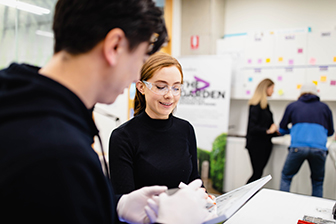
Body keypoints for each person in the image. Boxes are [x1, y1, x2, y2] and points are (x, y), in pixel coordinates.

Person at [0, 0, 209, 223]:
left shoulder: (20, 105)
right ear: (115, 46)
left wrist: (116, 206)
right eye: (140, 59)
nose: (135, 76)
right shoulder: (59, 153)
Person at [109, 52, 206, 196]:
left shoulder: (186, 129)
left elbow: (194, 180)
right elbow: (123, 200)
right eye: (161, 87)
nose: (170, 95)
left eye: (176, 88)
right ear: (141, 87)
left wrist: (204, 195)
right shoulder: (123, 137)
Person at [279, 83, 334, 197]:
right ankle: (316, 213)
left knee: (286, 177)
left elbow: (282, 129)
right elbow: (331, 132)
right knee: (317, 182)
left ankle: (282, 206)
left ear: (301, 93)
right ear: (316, 93)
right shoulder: (325, 107)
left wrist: (293, 131)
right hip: (319, 149)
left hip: (297, 148)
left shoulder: (293, 106)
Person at [245, 78, 279, 184]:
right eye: (272, 88)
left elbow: (269, 126)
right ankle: (245, 196)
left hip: (265, 144)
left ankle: (250, 196)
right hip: (256, 145)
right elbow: (253, 128)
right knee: (257, 174)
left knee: (259, 173)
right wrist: (268, 131)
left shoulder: (266, 106)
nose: (273, 91)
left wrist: (274, 130)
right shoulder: (255, 106)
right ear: (266, 88)